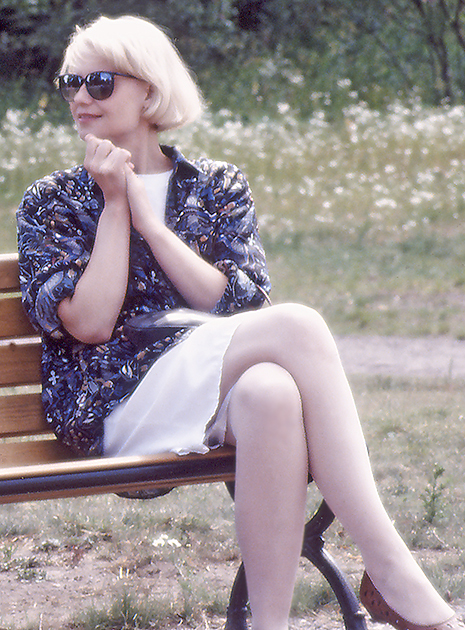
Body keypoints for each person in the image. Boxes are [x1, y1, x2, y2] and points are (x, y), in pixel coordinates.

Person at [16, 15, 463, 630]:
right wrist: (116, 202)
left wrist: (152, 222)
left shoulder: (217, 186)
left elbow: (237, 311)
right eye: (71, 83)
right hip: (111, 406)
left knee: (271, 392)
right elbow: (89, 325)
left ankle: (268, 624)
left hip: (202, 391)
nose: (79, 99)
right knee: (300, 328)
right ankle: (391, 569)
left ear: (148, 91)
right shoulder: (53, 200)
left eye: (98, 82)